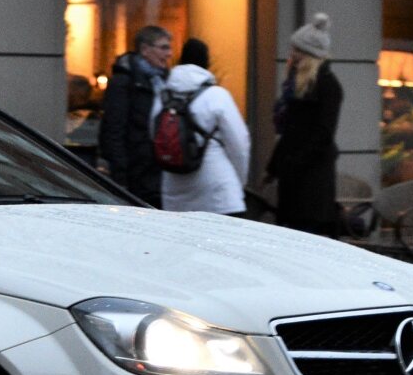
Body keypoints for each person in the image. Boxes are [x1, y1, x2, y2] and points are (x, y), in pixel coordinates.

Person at [265, 12, 345, 236]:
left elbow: (323, 133)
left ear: (311, 55)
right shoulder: (296, 88)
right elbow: (289, 132)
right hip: (294, 177)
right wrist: (274, 167)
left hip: (312, 182)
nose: (291, 55)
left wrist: (292, 164)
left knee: (306, 237)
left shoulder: (327, 86)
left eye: (297, 50)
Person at [159, 37, 252, 216]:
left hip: (174, 190)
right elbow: (239, 143)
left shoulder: (162, 96)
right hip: (218, 192)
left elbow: (156, 137)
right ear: (206, 63)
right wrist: (239, 182)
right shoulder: (217, 95)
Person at [96, 24, 172, 203]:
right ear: (145, 50)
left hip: (161, 174)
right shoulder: (124, 82)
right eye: (163, 47)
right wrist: (121, 175)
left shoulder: (165, 81)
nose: (169, 53)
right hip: (136, 175)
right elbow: (113, 129)